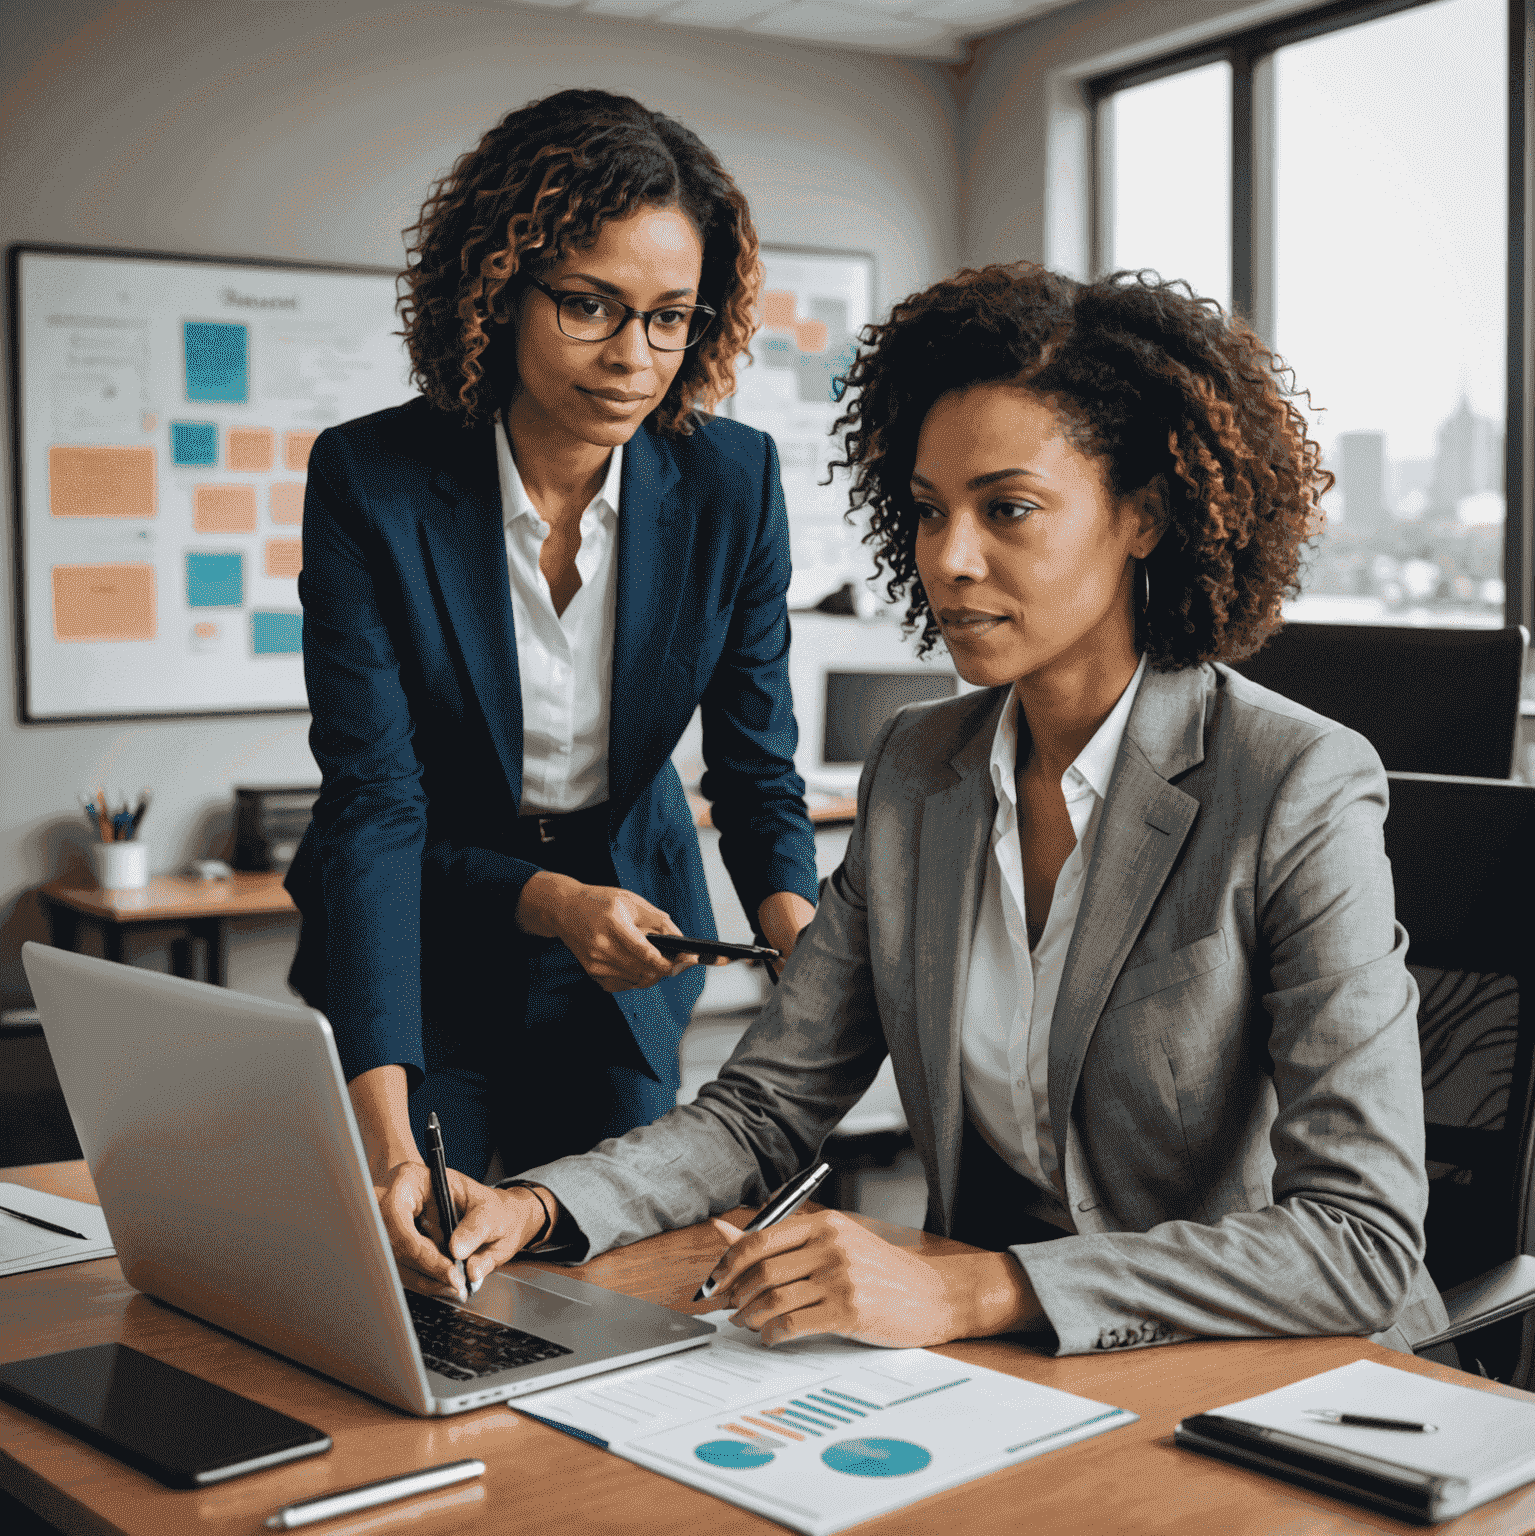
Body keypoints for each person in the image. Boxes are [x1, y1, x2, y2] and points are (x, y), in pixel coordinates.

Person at [385, 262, 1450, 1357]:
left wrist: (985, 1291)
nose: (949, 558)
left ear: (1145, 515)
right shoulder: (919, 767)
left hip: (1271, 1379)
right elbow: (766, 1109)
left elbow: (1357, 1240)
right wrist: (538, 1207)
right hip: (1006, 1376)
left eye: (1010, 510)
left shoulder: (1297, 784)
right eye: (930, 512)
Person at [284, 90, 819, 1295]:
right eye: (589, 305)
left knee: (617, 1279)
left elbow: (755, 765)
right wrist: (385, 1151)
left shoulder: (733, 482)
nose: (633, 358)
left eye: (670, 318)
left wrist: (805, 944)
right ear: (498, 289)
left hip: (630, 949)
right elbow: (376, 808)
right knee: (423, 1269)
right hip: (426, 940)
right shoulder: (373, 479)